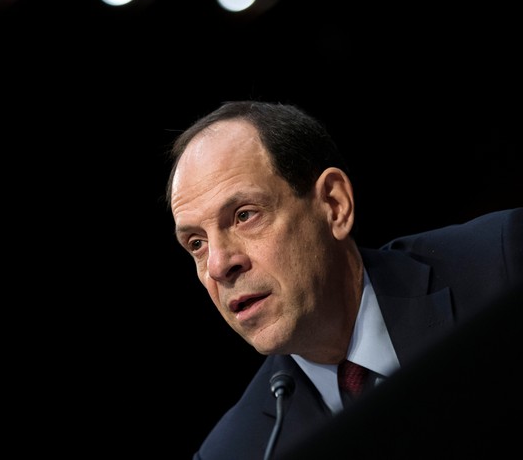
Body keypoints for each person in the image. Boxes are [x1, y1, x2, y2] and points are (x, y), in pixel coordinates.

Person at [164, 100, 522, 460]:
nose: (218, 265)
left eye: (245, 215)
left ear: (334, 206)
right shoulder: (236, 452)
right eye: (197, 243)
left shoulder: (504, 263)